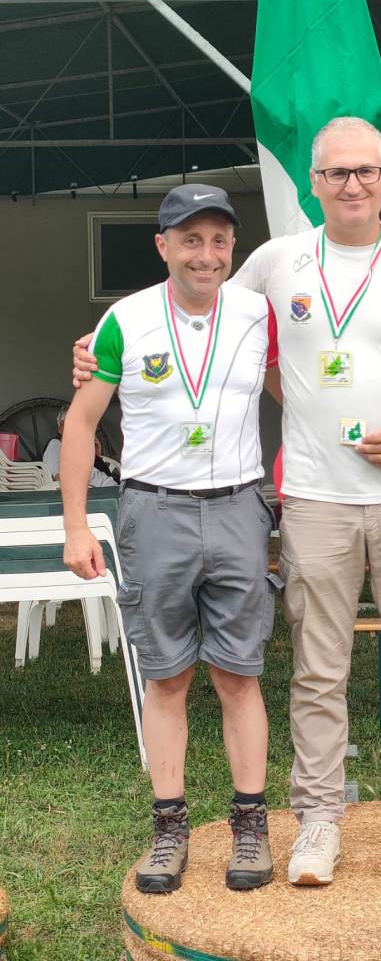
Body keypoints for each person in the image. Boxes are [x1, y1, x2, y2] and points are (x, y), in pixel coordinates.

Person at [75, 116, 381, 888]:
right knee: (317, 671)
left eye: (366, 171)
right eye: (336, 173)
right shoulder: (275, 262)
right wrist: (99, 348)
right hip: (314, 498)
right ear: (314, 182)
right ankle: (318, 822)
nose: (352, 185)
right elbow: (196, 315)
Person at [62, 184, 279, 895]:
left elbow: (305, 387)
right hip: (154, 513)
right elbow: (80, 424)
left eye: (218, 240)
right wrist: (75, 526)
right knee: (168, 677)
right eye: (190, 240)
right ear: (163, 246)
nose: (205, 255)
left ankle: (250, 826)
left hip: (239, 507)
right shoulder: (124, 321)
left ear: (233, 247)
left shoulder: (259, 314)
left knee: (239, 675)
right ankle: (169, 829)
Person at [43, 404, 118, 486]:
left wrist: (96, 458)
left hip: (112, 488)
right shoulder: (55, 445)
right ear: (61, 426)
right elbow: (61, 477)